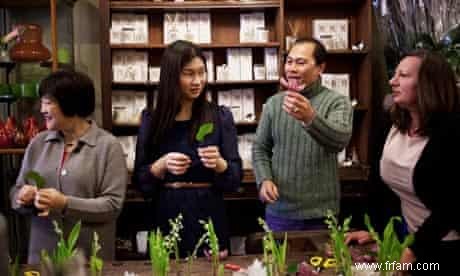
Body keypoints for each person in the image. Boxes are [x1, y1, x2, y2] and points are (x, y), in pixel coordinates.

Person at [346, 50, 460, 274]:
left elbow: (453, 205)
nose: (392, 81)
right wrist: (375, 230)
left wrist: (416, 250)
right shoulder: (393, 124)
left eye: (403, 75)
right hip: (410, 237)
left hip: (446, 246)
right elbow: (383, 187)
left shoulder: (453, 132)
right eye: (394, 74)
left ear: (428, 84)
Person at [133, 40, 242, 257]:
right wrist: (160, 166)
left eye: (202, 73)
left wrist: (220, 165)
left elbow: (234, 179)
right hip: (165, 214)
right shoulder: (152, 119)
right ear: (171, 76)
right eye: (188, 74)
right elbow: (140, 182)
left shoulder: (220, 116)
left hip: (208, 216)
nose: (197, 81)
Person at [10, 70, 128, 264]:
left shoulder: (108, 146)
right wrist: (22, 197)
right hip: (43, 258)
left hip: (88, 259)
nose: (42, 109)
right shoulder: (38, 143)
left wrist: (65, 203)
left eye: (48, 102)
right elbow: (16, 191)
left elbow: (112, 206)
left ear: (69, 102)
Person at [252, 37, 353, 231]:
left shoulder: (337, 102)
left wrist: (310, 118)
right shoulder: (274, 103)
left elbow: (339, 141)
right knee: (279, 262)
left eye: (301, 62)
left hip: (322, 213)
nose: (292, 69)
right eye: (289, 62)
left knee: (324, 262)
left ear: (320, 68)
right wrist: (264, 179)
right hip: (280, 210)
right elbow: (260, 148)